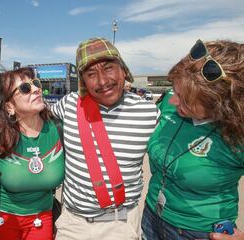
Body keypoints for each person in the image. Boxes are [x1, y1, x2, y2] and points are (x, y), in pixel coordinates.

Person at [50, 37, 158, 240]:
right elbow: (32, 119)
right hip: (72, 225)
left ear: (123, 70)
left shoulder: (149, 112)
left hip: (121, 226)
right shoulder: (69, 104)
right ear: (82, 81)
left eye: (109, 68)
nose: (103, 81)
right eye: (91, 74)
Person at [141, 39, 244, 240]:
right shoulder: (170, 105)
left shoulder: (238, 135)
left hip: (198, 232)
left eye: (185, 99)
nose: (172, 101)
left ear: (221, 104)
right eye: (174, 90)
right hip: (152, 217)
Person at [0, 67, 65, 240]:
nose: (37, 89)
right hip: (3, 218)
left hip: (42, 218)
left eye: (35, 84)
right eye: (25, 88)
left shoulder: (59, 128)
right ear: (9, 106)